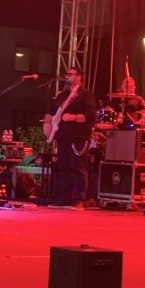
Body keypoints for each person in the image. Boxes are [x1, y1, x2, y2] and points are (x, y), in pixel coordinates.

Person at [43, 67, 96, 210]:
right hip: (62, 135)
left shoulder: (86, 95)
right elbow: (51, 110)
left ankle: (79, 199)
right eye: (67, 74)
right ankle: (64, 198)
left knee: (78, 167)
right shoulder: (62, 95)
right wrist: (47, 123)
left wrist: (74, 117)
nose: (67, 76)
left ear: (79, 77)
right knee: (64, 167)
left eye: (71, 74)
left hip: (78, 136)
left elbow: (91, 115)